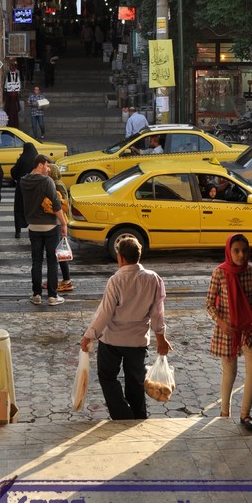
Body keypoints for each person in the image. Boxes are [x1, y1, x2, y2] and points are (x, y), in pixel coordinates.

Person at [80, 236, 172, 420]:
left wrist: (89, 336)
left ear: (120, 257)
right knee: (135, 381)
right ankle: (138, 418)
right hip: (138, 341)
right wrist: (161, 339)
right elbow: (157, 313)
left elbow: (105, 313)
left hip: (111, 340)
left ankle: (123, 415)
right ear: (139, 255)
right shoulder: (154, 279)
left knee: (107, 377)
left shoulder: (116, 280)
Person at [206, 234, 252, 431]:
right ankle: (225, 413)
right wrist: (221, 323)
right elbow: (209, 304)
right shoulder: (220, 273)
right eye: (236, 251)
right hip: (228, 331)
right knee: (229, 373)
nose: (241, 255)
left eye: (244, 251)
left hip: (249, 329)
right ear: (229, 252)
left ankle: (245, 414)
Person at [20, 155, 67, 307]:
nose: (48, 169)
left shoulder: (23, 181)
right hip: (50, 226)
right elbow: (56, 204)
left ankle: (36, 295)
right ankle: (52, 296)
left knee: (36, 261)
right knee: (52, 261)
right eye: (47, 166)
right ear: (40, 165)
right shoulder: (47, 181)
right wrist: (64, 223)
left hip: (33, 226)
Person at [49, 163, 74, 292]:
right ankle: (62, 279)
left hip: (59, 221)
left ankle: (66, 280)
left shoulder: (56, 185)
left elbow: (61, 204)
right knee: (59, 252)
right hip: (61, 220)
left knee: (60, 253)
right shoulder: (58, 183)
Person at [10, 142, 38, 239]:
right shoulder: (37, 159)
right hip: (34, 187)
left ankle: (18, 232)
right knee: (33, 209)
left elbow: (14, 171)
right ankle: (33, 230)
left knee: (19, 209)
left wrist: (17, 177)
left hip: (21, 187)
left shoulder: (22, 159)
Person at [4, 59, 21, 128]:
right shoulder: (8, 74)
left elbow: (18, 84)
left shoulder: (17, 73)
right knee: (11, 116)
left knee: (13, 115)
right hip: (10, 100)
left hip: (13, 99)